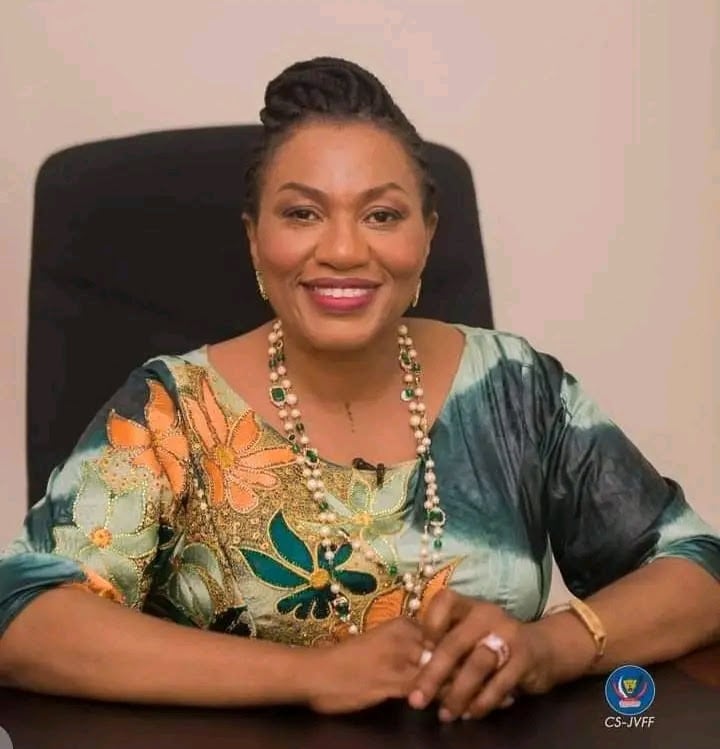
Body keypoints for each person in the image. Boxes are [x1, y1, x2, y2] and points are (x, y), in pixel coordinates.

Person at [0, 57, 719, 722]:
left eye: (382, 215)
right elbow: (19, 616)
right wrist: (309, 675)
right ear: (254, 238)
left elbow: (698, 570)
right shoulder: (173, 410)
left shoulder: (515, 387)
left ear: (427, 235)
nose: (344, 250)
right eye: (302, 213)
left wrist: (546, 648)